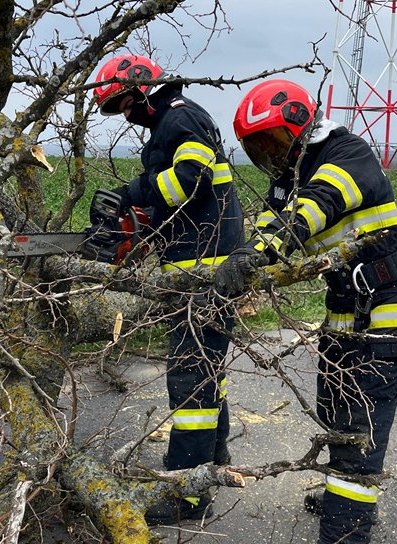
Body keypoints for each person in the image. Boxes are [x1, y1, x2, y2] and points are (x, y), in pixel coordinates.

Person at [215, 79, 397, 544]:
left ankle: (347, 532)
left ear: (300, 128)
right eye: (259, 147)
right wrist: (244, 257)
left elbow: (312, 208)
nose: (269, 155)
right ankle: (341, 495)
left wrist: (263, 250)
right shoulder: (289, 176)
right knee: (334, 406)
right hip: (346, 305)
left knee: (359, 427)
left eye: (274, 142)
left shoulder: (348, 156)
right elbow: (274, 219)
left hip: (386, 305)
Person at [93, 54, 245, 524]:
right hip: (198, 259)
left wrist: (132, 194)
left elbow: (192, 180)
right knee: (207, 368)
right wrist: (145, 228)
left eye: (122, 103)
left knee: (191, 376)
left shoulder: (180, 118)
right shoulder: (171, 123)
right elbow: (181, 200)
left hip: (206, 267)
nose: (122, 114)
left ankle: (187, 492)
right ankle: (213, 458)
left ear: (141, 89)